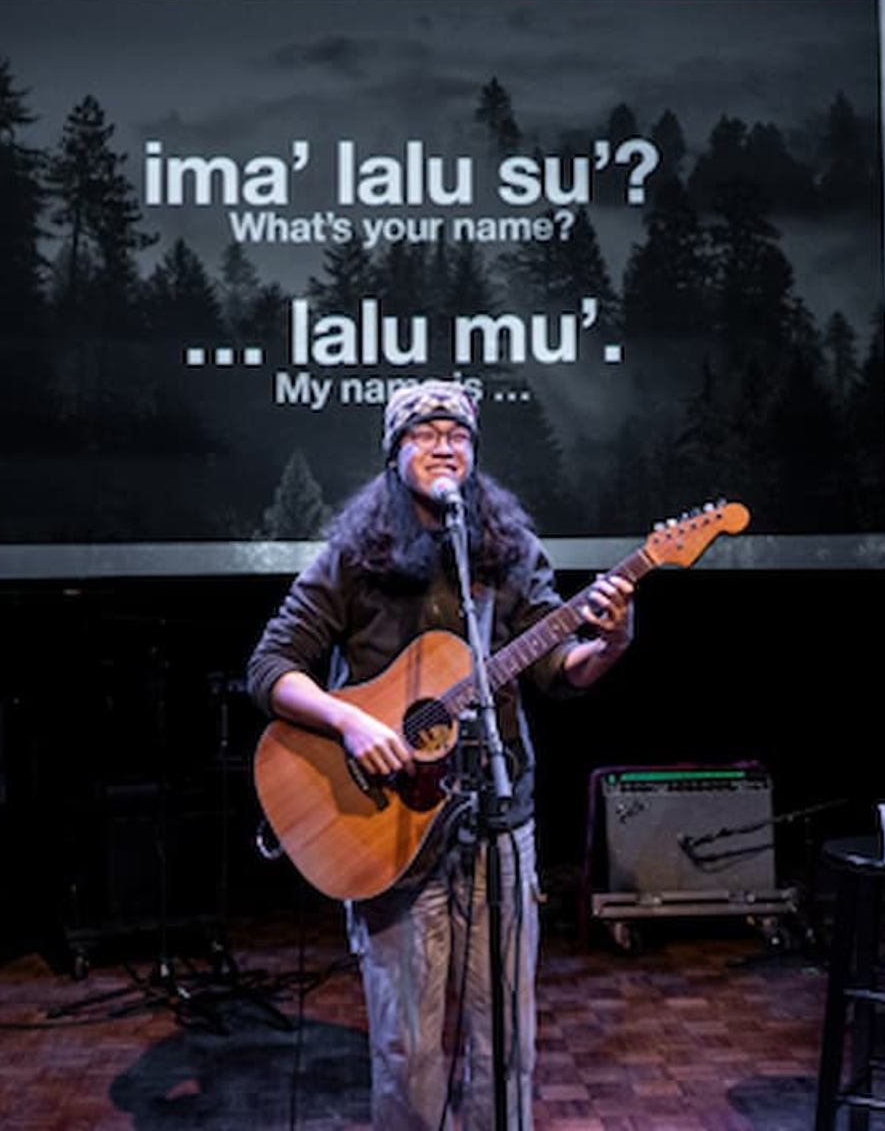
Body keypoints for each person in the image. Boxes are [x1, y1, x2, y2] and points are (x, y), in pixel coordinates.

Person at [246, 379, 635, 1130]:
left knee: (506, 1041)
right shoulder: (352, 558)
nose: (444, 443)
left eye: (457, 432)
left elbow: (559, 670)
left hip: (497, 822)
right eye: (423, 432)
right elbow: (270, 668)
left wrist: (612, 640)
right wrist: (351, 725)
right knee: (408, 1045)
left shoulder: (510, 552)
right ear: (394, 455)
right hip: (388, 829)